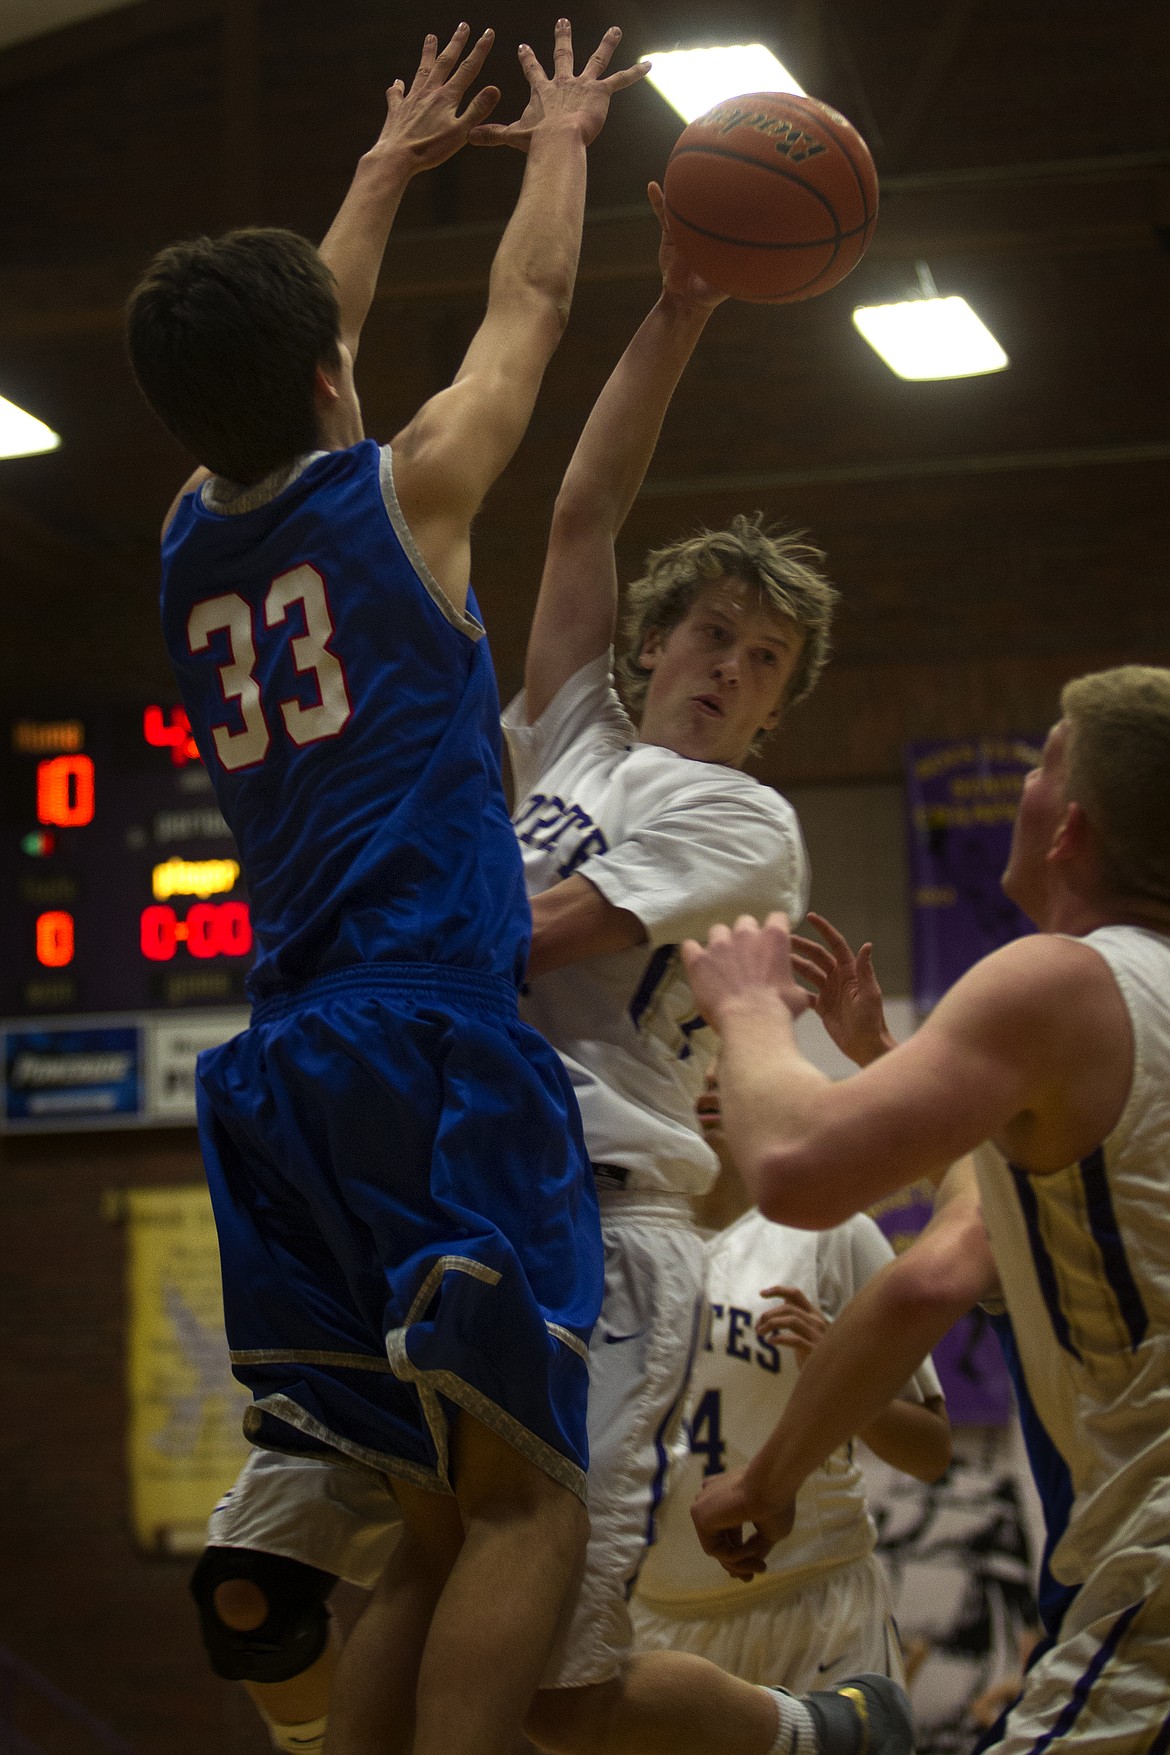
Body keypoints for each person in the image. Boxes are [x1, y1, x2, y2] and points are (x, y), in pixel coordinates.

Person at [190, 180, 915, 1755]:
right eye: (712, 633)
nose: (728, 669)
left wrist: (357, 902)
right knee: (438, 1561)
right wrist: (679, 306)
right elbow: (581, 507)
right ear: (651, 640)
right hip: (458, 1150)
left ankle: (820, 1734)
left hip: (599, 1198)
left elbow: (528, 930)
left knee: (557, 1682)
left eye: (764, 660)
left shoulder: (740, 819)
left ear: (777, 703)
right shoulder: (566, 729)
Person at [125, 23, 649, 1755]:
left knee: (426, 1523)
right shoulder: (409, 493)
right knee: (527, 1509)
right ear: (339, 375)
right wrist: (559, 135)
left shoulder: (190, 537)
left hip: (283, 1078)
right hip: (431, 1038)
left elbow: (295, 346)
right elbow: (533, 314)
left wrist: (377, 167)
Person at [683, 668, 1170, 1752]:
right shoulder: (1127, 1007)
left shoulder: (1055, 981)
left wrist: (755, 1011)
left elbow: (804, 1171)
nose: (1024, 784)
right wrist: (893, 1068)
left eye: (1043, 759)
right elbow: (971, 1231)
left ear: (1070, 828)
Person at [631, 1072, 950, 1694]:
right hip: (659, 1615)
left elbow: (932, 1451)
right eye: (689, 1061)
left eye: (729, 1075)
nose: (707, 1084)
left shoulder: (835, 1233)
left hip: (816, 1605)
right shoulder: (622, 1248)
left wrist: (842, 1378)